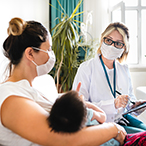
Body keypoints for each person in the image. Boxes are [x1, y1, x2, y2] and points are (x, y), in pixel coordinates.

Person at [0, 17, 126, 146]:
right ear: (30, 53)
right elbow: (62, 139)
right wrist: (113, 128)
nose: (51, 55)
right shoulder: (11, 99)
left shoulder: (29, 88)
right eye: (48, 49)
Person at [72, 22, 146, 134]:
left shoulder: (124, 69)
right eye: (109, 40)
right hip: (101, 123)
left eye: (118, 43)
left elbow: (129, 101)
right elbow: (80, 106)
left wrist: (135, 106)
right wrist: (113, 104)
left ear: (124, 48)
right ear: (102, 40)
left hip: (123, 119)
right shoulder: (86, 68)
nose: (112, 46)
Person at [48, 90, 120, 146]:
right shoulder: (89, 114)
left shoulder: (68, 127)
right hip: (113, 142)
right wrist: (85, 103)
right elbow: (103, 116)